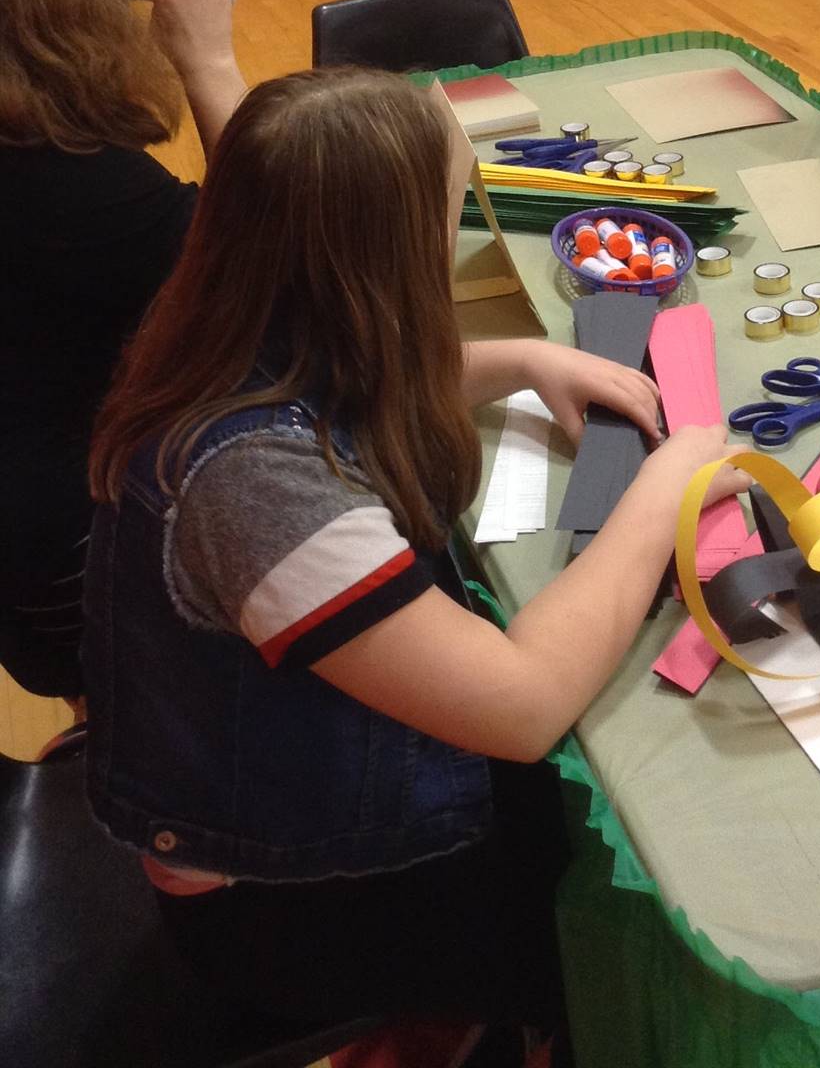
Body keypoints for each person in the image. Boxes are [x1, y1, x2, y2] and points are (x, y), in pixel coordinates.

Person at [85, 67, 739, 1052]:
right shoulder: (255, 492)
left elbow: (343, 378)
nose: (455, 237)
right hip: (282, 903)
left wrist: (521, 360)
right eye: (449, 213)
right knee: (638, 901)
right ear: (387, 254)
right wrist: (664, 493)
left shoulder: (227, 334)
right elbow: (520, 708)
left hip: (289, 797)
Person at [0, 0, 245, 703]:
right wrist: (209, 58)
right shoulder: (60, 180)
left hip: (33, 513)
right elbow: (270, 250)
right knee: (145, 711)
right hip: (74, 540)